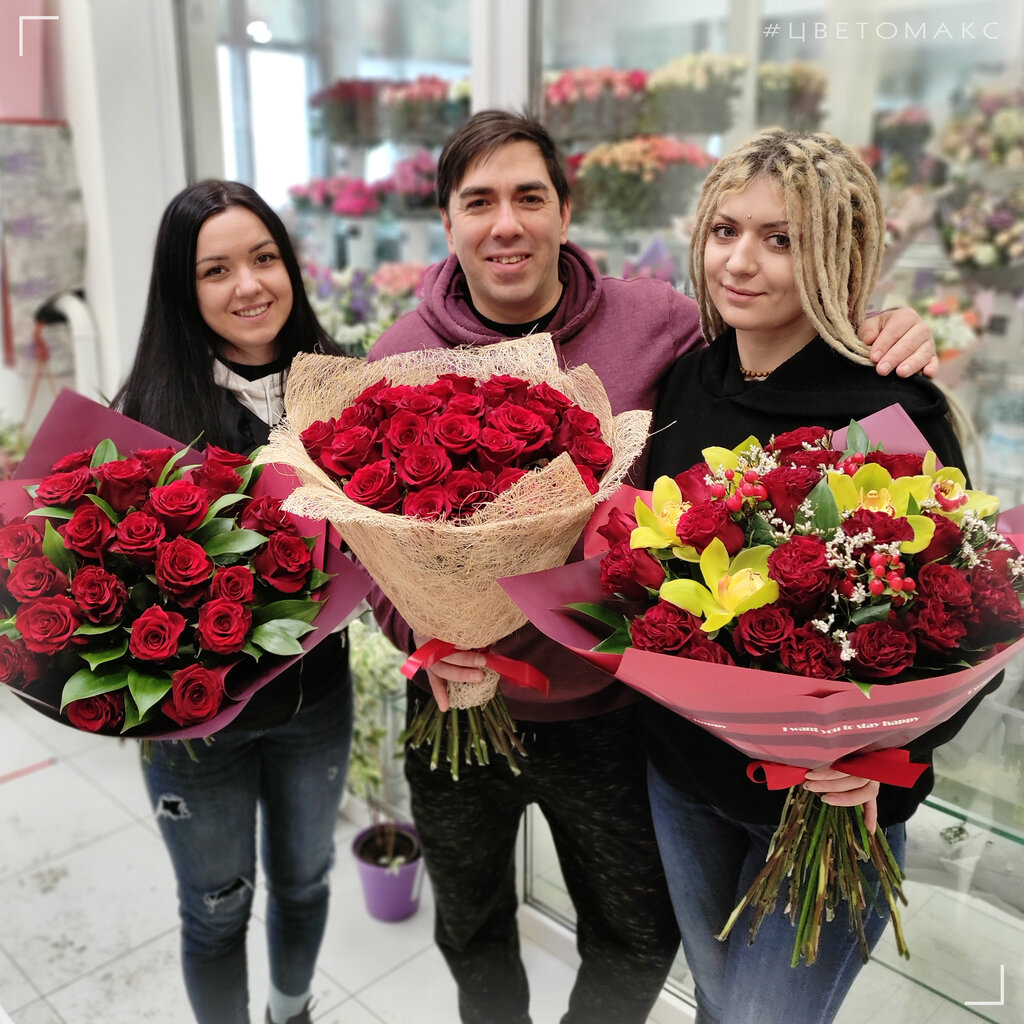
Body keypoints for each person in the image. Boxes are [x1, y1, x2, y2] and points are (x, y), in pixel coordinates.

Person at [366, 110, 938, 1024]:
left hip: (615, 719)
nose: (506, 223)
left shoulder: (660, 330)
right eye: (479, 202)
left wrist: (885, 324)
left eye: (529, 197)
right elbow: (367, 545)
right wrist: (426, 636)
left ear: (566, 211)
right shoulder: (396, 357)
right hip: (461, 704)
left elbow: (787, 366)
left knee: (638, 941)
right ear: (447, 220)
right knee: (471, 926)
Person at [641, 128, 998, 1024]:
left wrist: (891, 752)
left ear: (841, 253)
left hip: (834, 805)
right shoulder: (685, 383)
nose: (740, 261)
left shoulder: (888, 404)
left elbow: (975, 612)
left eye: (782, 239)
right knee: (715, 1003)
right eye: (725, 230)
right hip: (686, 780)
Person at [114, 180, 353, 1024]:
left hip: (315, 700)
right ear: (183, 289)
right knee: (216, 908)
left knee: (306, 881)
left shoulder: (346, 388)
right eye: (215, 270)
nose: (248, 285)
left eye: (263, 258)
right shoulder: (145, 412)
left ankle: (292, 1012)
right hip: (194, 725)